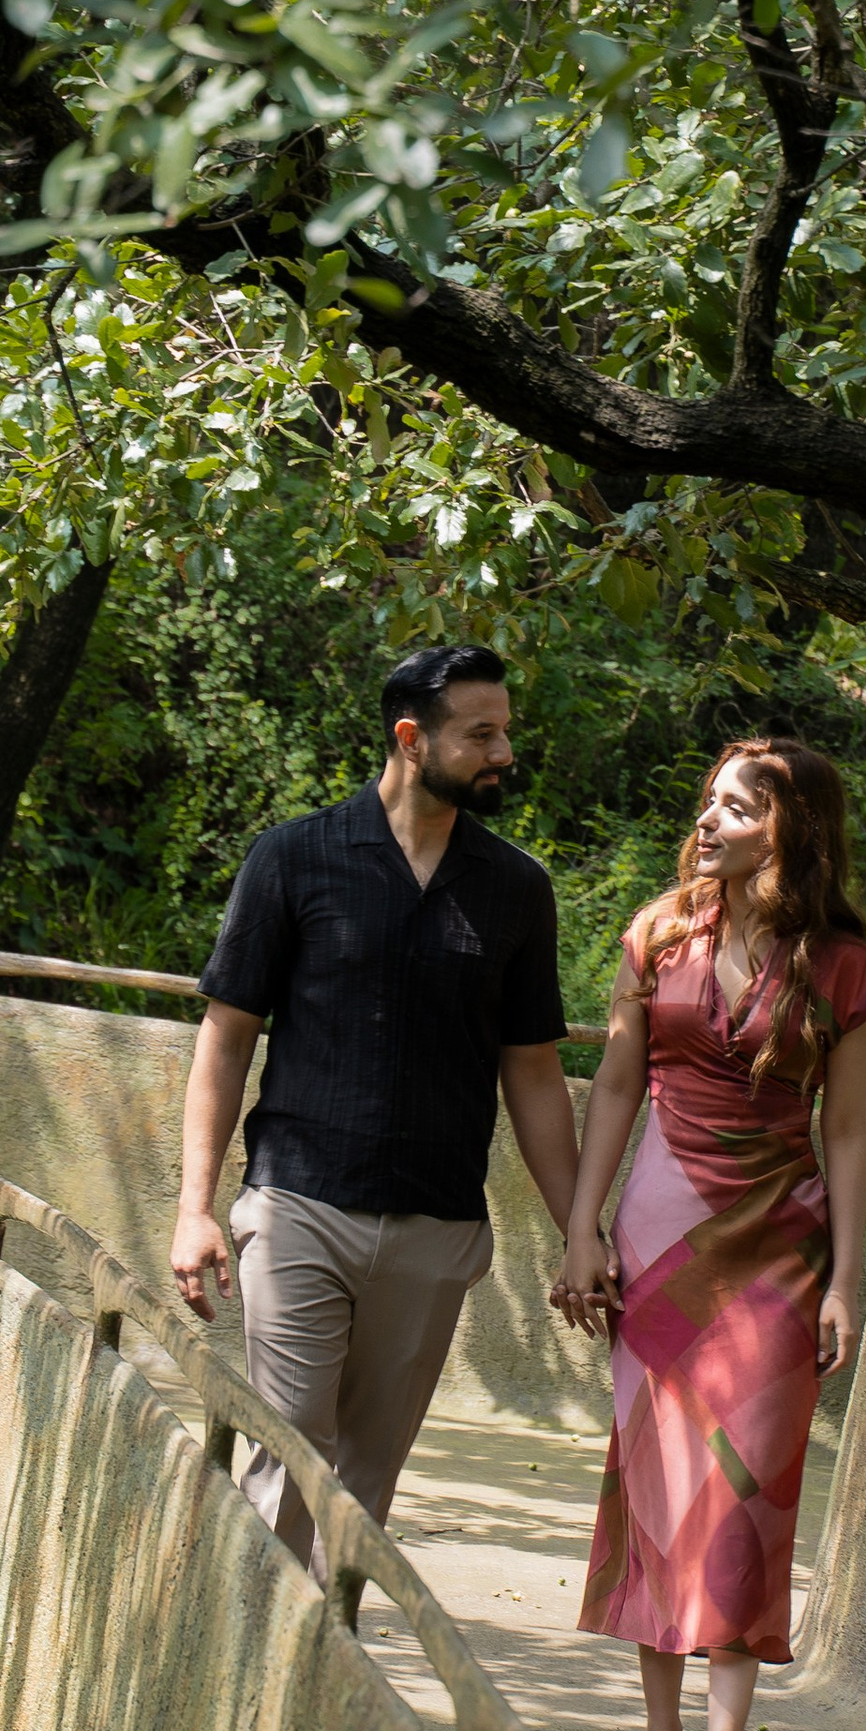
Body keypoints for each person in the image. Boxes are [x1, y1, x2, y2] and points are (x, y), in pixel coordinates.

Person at [171, 642, 581, 1564]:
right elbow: (226, 1036)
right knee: (286, 1455)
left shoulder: (517, 888)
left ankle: (332, 1646)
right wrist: (195, 1207)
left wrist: (578, 1230)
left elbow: (532, 1071)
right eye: (481, 734)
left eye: (505, 731)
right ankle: (258, 1643)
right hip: (299, 1205)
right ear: (411, 738)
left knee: (364, 1488)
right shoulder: (293, 857)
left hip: (438, 1225)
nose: (504, 752)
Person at [554, 739, 866, 1731]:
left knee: (746, 1496)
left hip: (780, 1249)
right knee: (658, 1485)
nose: (708, 820)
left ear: (790, 828)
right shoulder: (658, 934)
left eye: (736, 807)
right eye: (708, 802)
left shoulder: (845, 969)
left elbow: (849, 1130)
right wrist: (580, 1229)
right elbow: (615, 1084)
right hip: (659, 1239)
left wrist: (848, 1277)